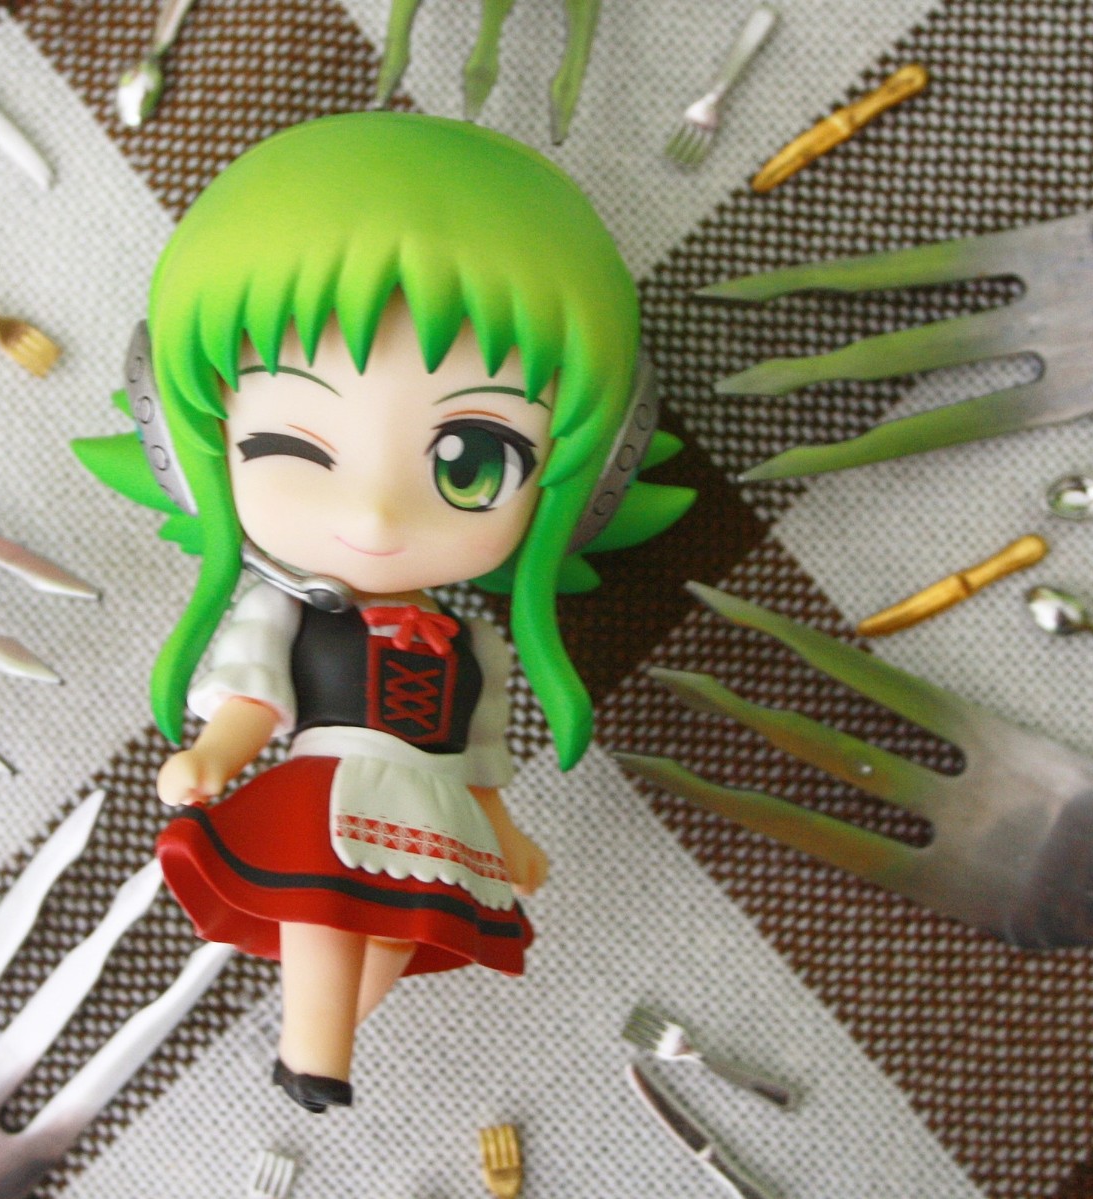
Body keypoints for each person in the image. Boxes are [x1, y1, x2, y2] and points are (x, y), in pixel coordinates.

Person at [73, 112, 693, 1113]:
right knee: (323, 904)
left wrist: (503, 829)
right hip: (330, 784)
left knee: (404, 924)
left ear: (592, 474)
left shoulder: (473, 642)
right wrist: (216, 755)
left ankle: (322, 1044)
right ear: (186, 453)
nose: (373, 515)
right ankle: (313, 1048)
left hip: (430, 802)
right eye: (292, 447)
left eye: (471, 461)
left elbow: (477, 750)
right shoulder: (289, 609)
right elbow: (255, 696)